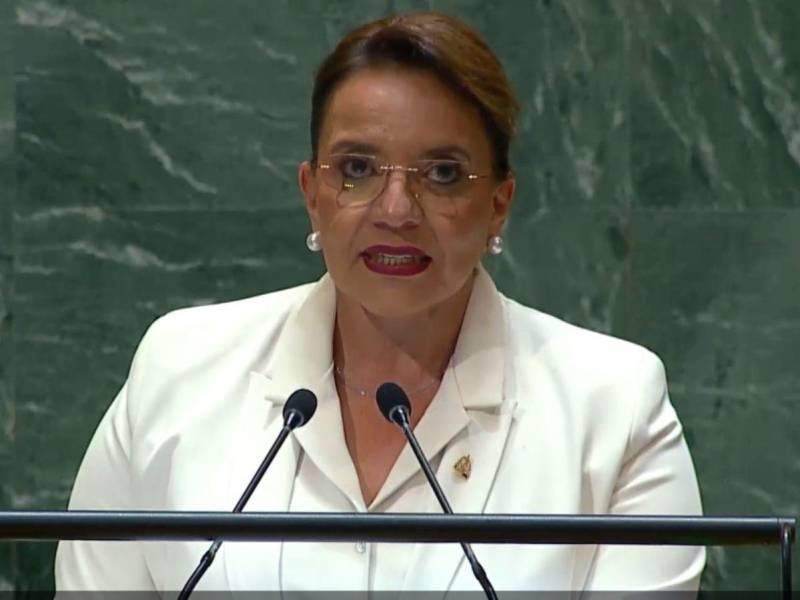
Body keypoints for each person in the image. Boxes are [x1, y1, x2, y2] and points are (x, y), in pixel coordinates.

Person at [55, 11, 705, 592]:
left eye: (443, 174)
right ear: (313, 193)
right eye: (358, 169)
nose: (396, 211)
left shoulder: (614, 407)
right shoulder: (178, 370)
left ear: (498, 206)